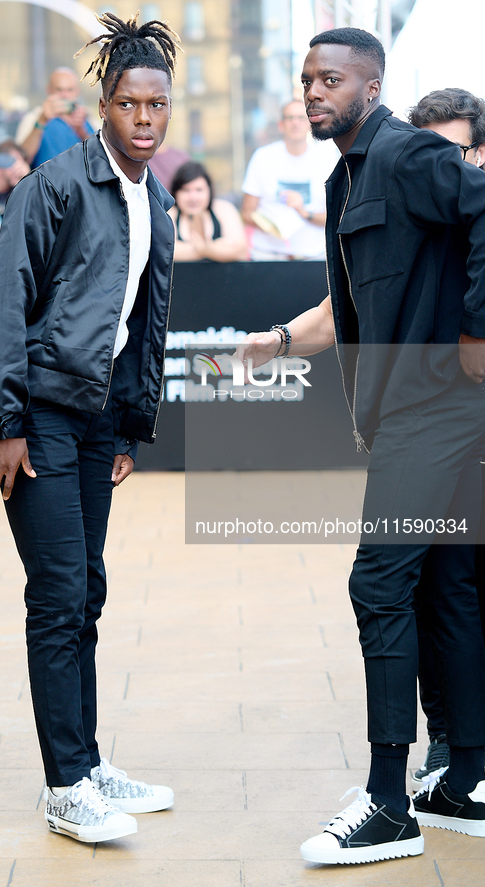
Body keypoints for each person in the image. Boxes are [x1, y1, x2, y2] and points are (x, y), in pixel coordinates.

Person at [237, 28, 485, 866]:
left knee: (376, 580)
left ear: (369, 87)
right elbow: (348, 304)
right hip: (409, 411)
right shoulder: (348, 175)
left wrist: (477, 330)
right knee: (445, 584)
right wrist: (276, 340)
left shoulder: (407, 154)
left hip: (439, 407)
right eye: (306, 78)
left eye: (331, 79)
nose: (314, 91)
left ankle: (386, 805)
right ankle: (465, 783)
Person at [0, 12, 181, 844]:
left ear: (169, 109)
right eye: (128, 103)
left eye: (155, 105)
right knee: (57, 596)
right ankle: (65, 785)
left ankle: (88, 764)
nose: (142, 118)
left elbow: (142, 322)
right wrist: (4, 421)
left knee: (85, 589)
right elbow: (2, 300)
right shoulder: (55, 183)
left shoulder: (155, 199)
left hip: (95, 424)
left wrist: (127, 427)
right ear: (102, 105)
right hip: (38, 416)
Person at [406, 88, 485, 790]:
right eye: (427, 154)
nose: (442, 169)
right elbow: (332, 303)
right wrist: (277, 339)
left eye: (455, 153)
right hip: (436, 439)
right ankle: (451, 745)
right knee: (438, 586)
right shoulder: (417, 228)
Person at [241, 99, 336, 260]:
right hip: (268, 255)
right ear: (280, 124)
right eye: (290, 118)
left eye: (301, 117)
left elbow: (337, 216)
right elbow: (246, 212)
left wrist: (305, 213)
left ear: (310, 123)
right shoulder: (263, 157)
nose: (295, 123)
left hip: (314, 256)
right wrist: (271, 226)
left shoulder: (327, 159)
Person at [169, 161, 248, 262]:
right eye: (186, 190)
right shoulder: (169, 214)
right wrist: (213, 250)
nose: (193, 197)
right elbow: (165, 252)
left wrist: (204, 249)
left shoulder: (224, 209)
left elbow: (239, 249)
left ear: (209, 190)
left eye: (199, 190)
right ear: (175, 192)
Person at [16, 67, 94, 167]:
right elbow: (22, 160)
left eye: (69, 90)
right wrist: (42, 120)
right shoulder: (33, 118)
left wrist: (81, 131)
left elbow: (99, 158)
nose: (64, 95)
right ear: (48, 90)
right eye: (59, 89)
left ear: (77, 92)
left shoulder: (87, 119)